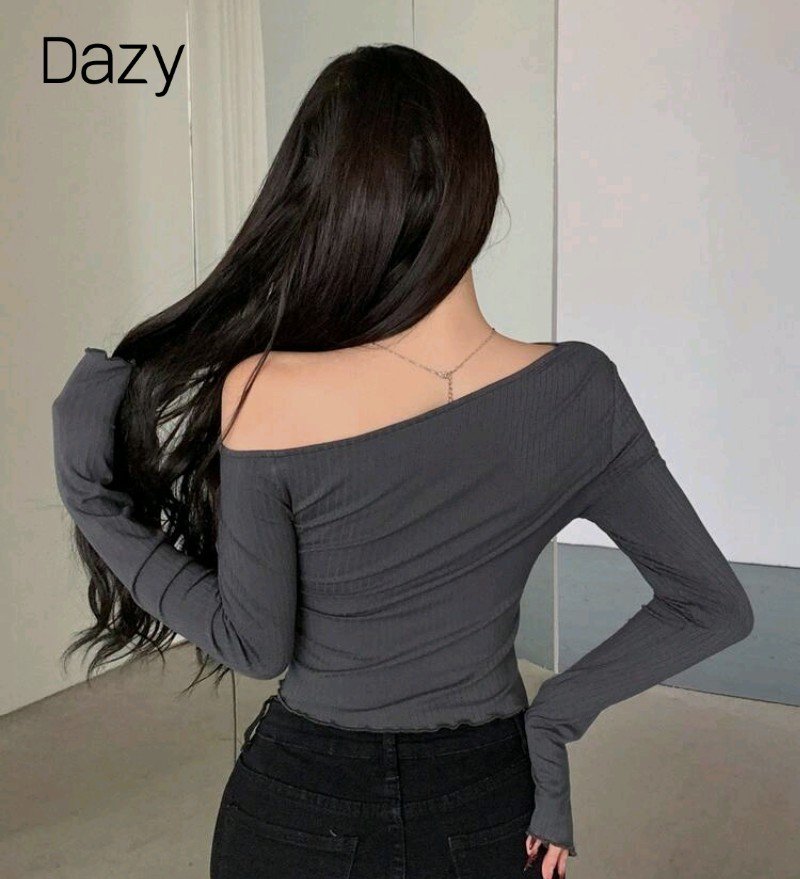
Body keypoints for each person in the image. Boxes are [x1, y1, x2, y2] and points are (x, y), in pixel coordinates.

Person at [50, 43, 754, 879]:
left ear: (321, 204)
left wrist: (92, 501)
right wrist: (555, 713)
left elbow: (254, 644)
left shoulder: (266, 390)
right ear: (481, 192)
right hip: (493, 801)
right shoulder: (578, 391)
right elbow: (712, 604)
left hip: (300, 809)